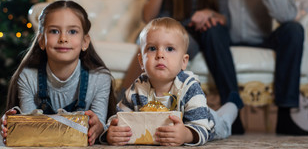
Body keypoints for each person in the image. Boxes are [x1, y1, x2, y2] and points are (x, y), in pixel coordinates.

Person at [216, 0, 308, 136]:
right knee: (213, 34)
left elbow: (286, 15)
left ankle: (285, 116)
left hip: (264, 39)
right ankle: (233, 114)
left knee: (293, 30)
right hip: (228, 40)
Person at [103, 17, 243, 146]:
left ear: (183, 62)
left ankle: (233, 102)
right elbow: (119, 117)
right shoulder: (137, 89)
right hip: (191, 114)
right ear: (141, 61)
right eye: (152, 48)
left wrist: (186, 135)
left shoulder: (189, 87)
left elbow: (201, 127)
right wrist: (112, 130)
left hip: (209, 121)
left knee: (225, 119)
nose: (160, 55)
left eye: (169, 49)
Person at [0, 0, 117, 145]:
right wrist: (15, 124)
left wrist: (99, 128)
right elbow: (29, 128)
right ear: (42, 41)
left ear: (85, 42)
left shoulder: (100, 79)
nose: (63, 39)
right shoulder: (27, 77)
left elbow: (99, 126)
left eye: (72, 31)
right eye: (54, 31)